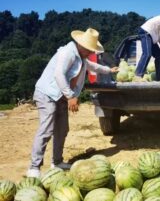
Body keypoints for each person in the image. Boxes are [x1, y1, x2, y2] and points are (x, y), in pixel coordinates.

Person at [27, 28, 118, 178]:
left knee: (62, 130)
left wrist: (109, 70)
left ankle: (57, 162)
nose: (91, 53)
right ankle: (34, 167)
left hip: (61, 96)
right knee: (47, 129)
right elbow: (59, 74)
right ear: (81, 45)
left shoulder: (81, 57)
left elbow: (93, 66)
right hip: (47, 94)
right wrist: (70, 96)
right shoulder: (68, 53)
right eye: (90, 50)